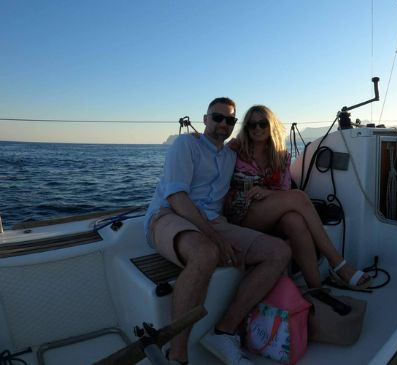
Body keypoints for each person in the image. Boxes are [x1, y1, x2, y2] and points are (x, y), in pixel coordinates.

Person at [144, 97, 291, 365]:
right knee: (206, 253)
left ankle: (224, 331)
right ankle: (177, 354)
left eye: (230, 120)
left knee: (278, 252)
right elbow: (177, 197)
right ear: (205, 119)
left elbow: (257, 156)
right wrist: (215, 238)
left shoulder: (232, 155)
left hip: (214, 221)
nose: (223, 123)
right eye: (217, 117)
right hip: (169, 214)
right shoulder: (186, 144)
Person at [224, 104, 370, 290]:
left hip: (269, 212)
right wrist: (198, 138)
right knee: (299, 197)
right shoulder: (236, 149)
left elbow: (284, 190)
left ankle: (315, 288)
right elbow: (213, 152)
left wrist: (268, 193)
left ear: (271, 125)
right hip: (241, 212)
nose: (257, 128)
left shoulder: (281, 156)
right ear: (246, 128)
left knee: (295, 222)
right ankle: (338, 263)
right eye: (252, 125)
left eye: (263, 123)